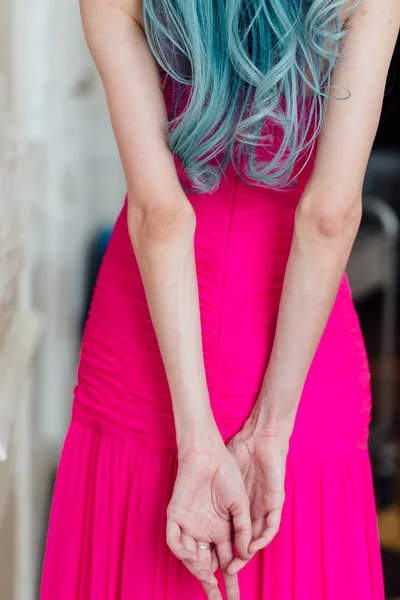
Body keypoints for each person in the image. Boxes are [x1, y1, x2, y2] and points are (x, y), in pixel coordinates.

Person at [39, 1, 400, 599]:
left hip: (150, 353)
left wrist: (197, 439)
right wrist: (271, 429)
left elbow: (161, 218)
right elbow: (329, 218)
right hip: (302, 360)